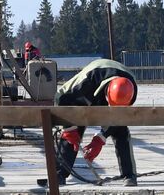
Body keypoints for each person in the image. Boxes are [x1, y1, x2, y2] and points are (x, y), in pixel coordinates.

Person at [50, 58, 139, 187]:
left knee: (121, 132)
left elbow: (118, 117)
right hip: (88, 94)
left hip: (113, 97)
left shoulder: (131, 90)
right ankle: (58, 174)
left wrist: (101, 137)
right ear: (107, 92)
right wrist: (69, 129)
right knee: (73, 131)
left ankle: (129, 175)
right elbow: (60, 97)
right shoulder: (87, 80)